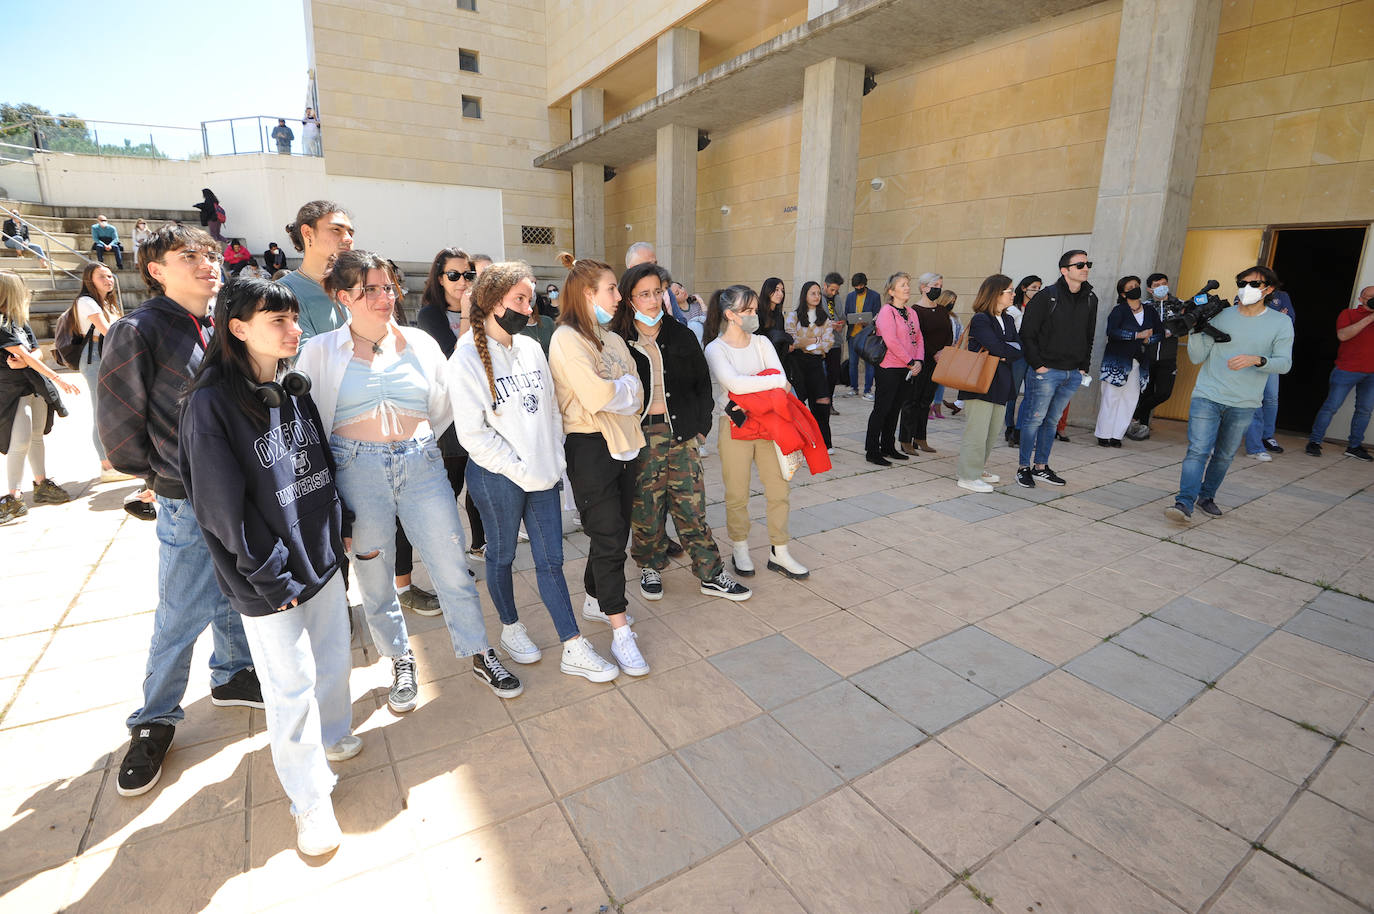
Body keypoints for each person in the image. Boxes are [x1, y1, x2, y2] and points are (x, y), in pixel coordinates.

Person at [179, 277, 357, 856]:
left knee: (332, 661)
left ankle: (333, 738)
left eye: (292, 318)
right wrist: (270, 575)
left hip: (323, 558)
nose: (293, 328)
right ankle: (310, 802)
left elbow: (319, 463)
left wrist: (341, 525)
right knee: (290, 689)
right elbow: (220, 508)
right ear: (237, 328)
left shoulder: (291, 386)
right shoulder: (210, 406)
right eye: (275, 321)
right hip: (269, 576)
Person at [297, 249, 522, 709]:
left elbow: (441, 408)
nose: (384, 297)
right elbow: (308, 421)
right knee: (374, 574)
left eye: (387, 286)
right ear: (343, 297)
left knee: (451, 564)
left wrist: (411, 441)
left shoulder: (420, 343)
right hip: (356, 471)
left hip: (421, 464)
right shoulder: (319, 352)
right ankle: (400, 658)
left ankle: (479, 649)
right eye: (369, 290)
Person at [97, 224, 262, 798]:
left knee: (234, 586)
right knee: (181, 610)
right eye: (187, 256)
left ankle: (233, 672)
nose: (205, 263)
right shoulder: (138, 330)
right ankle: (155, 718)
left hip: (238, 486)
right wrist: (167, 474)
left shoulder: (221, 324)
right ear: (155, 270)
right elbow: (119, 429)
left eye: (210, 253)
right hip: (185, 497)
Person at [450, 261, 621, 680]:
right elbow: (473, 436)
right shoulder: (466, 358)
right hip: (497, 479)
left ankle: (572, 645)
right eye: (519, 300)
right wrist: (520, 470)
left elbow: (550, 411)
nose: (528, 310)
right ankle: (510, 627)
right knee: (503, 555)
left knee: (551, 560)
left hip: (542, 475)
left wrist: (554, 460)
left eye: (530, 299)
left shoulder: (529, 348)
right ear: (491, 302)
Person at [613, 262, 751, 603]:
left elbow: (702, 385)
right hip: (640, 436)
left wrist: (700, 430)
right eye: (643, 294)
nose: (652, 300)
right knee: (646, 507)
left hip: (681, 434)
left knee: (691, 507)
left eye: (657, 292)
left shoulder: (680, 333)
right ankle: (649, 564)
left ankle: (710, 572)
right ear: (629, 298)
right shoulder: (618, 339)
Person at [548, 252, 652, 675]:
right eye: (611, 289)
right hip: (590, 447)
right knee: (609, 537)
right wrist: (619, 389)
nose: (618, 297)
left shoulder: (610, 338)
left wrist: (619, 389)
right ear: (587, 293)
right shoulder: (566, 339)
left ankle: (595, 597)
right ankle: (619, 630)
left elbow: (638, 391)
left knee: (616, 530)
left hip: (627, 443)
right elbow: (596, 396)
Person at [1165, 266, 1295, 522]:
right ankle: (1184, 503)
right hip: (1208, 394)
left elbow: (1284, 364)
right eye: (1241, 282)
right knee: (1198, 450)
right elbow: (1196, 357)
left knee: (1224, 455)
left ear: (1269, 289)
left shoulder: (1281, 322)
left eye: (1253, 284)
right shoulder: (1220, 316)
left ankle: (1207, 496)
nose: (1246, 288)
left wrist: (1256, 359)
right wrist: (1193, 328)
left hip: (1244, 401)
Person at [704, 284, 810, 579]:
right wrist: (766, 382)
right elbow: (735, 385)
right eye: (747, 310)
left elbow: (782, 379)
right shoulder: (715, 348)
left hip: (771, 423)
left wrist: (758, 384)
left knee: (779, 489)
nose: (754, 315)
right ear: (730, 314)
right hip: (735, 425)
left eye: (754, 309)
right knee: (737, 493)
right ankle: (740, 547)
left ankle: (780, 550)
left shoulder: (762, 342)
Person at [414, 247, 487, 571]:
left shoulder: (483, 310)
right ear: (439, 279)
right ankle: (446, 559)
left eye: (468, 274)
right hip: (448, 419)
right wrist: (469, 314)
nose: (462, 281)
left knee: (481, 482)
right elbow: (454, 358)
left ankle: (479, 544)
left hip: (481, 410)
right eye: (454, 275)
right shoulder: (431, 314)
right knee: (450, 489)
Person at [1016, 250, 1099, 488]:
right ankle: (1023, 467)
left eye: (1087, 264)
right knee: (1034, 419)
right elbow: (1027, 335)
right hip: (1046, 372)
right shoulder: (1046, 297)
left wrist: (1083, 367)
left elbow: (1089, 336)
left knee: (1052, 422)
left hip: (1072, 373)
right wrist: (1038, 366)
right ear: (1065, 270)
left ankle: (1041, 466)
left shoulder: (1091, 299)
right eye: (1080, 264)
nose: (1085, 268)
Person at [1, 270, 79, 522]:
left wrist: (26, 361)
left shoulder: (19, 321)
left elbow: (36, 353)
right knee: (19, 442)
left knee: (36, 437)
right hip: (12, 392)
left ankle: (41, 484)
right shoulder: (1, 324)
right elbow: (25, 355)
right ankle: (13, 496)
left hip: (33, 387)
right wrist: (57, 378)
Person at [955, 275, 1020, 492]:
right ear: (995, 293)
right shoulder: (981, 319)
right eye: (1009, 290)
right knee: (977, 432)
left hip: (1001, 382)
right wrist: (1004, 351)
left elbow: (1018, 349)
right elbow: (999, 348)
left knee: (991, 432)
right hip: (980, 382)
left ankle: (977, 468)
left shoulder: (1009, 319)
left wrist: (1004, 352)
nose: (1014, 294)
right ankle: (967, 475)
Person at [72, 263, 131, 482]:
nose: (109, 279)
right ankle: (106, 465)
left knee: (113, 410)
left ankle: (115, 461)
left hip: (107, 354)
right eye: (102, 277)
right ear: (89, 280)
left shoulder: (107, 302)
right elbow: (108, 330)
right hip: (94, 356)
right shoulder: (86, 302)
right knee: (101, 410)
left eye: (110, 275)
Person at [1305, 285, 1374, 461]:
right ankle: (1314, 442)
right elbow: (1343, 336)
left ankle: (1355, 446)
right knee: (1331, 407)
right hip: (1346, 370)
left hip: (1372, 374)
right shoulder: (1348, 314)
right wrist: (1370, 318)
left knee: (1364, 411)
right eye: (1370, 297)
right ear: (1361, 299)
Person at [864, 272, 924, 466]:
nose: (907, 287)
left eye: (908, 284)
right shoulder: (886, 312)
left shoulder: (912, 312)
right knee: (882, 409)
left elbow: (919, 338)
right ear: (891, 291)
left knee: (896, 408)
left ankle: (888, 446)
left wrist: (919, 360)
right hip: (889, 367)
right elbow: (891, 341)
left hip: (907, 368)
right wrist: (910, 361)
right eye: (902, 285)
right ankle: (872, 450)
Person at [1095, 276, 1161, 447]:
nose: (1135, 288)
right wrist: (1136, 335)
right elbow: (1112, 332)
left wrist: (1149, 339)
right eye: (1130, 286)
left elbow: (1159, 333)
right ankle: (1104, 435)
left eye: (1136, 285)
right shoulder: (1119, 310)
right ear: (1123, 294)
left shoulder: (1150, 311)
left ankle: (1117, 436)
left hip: (1140, 361)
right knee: (1111, 397)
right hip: (1117, 361)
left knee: (1130, 399)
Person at [279, 200, 354, 339]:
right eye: (336, 230)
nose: (348, 239)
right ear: (307, 233)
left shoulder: (358, 286)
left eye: (350, 233)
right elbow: (304, 357)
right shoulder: (284, 292)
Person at [898, 277, 950, 454]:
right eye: (935, 286)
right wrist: (934, 352)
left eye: (940, 286)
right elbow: (917, 336)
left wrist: (944, 352)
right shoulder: (914, 310)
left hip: (938, 362)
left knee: (926, 401)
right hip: (920, 361)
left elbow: (948, 333)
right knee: (911, 400)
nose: (938, 289)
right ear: (923, 287)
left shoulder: (942, 310)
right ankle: (906, 439)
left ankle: (920, 437)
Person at [1243, 287, 1296, 461]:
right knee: (1250, 399)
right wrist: (1275, 316)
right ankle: (1250, 442)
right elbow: (1246, 321)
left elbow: (1288, 320)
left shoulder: (1283, 295)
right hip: (1247, 355)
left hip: (1271, 357)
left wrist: (1272, 319)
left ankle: (1266, 437)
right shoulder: (1245, 295)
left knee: (1271, 397)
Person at [1127, 273, 1179, 441]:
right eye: (1157, 284)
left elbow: (1186, 325)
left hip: (1168, 358)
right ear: (1149, 289)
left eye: (1164, 283)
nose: (1162, 286)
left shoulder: (1179, 305)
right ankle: (1142, 427)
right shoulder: (1144, 306)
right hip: (1147, 357)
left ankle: (1134, 415)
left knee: (1164, 392)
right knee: (1145, 392)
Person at [784, 280, 836, 450]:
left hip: (816, 363)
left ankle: (824, 442)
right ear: (804, 295)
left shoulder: (825, 319)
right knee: (797, 402)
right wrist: (815, 341)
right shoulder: (793, 316)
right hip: (797, 363)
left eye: (818, 293)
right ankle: (797, 440)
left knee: (822, 401)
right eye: (812, 293)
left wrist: (808, 344)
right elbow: (791, 341)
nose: (817, 296)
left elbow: (828, 344)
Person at [1003, 275, 1041, 445]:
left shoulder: (1039, 307)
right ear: (1024, 288)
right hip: (1018, 355)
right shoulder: (1013, 309)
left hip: (1033, 354)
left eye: (1039, 288)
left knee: (1030, 394)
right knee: (1013, 392)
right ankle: (1009, 426)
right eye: (1034, 287)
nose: (1037, 291)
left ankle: (1019, 429)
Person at [625, 241, 688, 324]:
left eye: (655, 264)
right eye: (647, 265)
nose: (654, 269)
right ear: (632, 269)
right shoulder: (619, 296)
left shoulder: (667, 292)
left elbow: (681, 320)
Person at [844, 271, 881, 398]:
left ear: (865, 284)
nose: (858, 288)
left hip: (868, 336)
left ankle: (867, 390)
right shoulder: (849, 297)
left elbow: (878, 316)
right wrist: (851, 319)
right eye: (856, 286)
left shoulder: (875, 296)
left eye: (860, 286)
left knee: (869, 364)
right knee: (853, 363)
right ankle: (854, 388)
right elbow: (846, 314)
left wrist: (869, 322)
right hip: (853, 335)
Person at [820, 272, 845, 408]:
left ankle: (829, 403)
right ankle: (821, 402)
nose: (834, 293)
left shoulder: (837, 299)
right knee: (821, 375)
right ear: (825, 285)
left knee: (833, 374)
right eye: (832, 290)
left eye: (836, 290)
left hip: (836, 341)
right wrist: (830, 324)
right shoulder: (817, 297)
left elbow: (842, 316)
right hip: (822, 343)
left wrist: (840, 324)